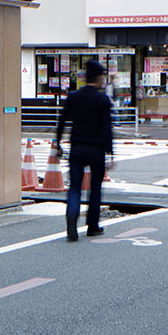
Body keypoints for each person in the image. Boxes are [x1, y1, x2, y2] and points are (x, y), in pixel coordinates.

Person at [53, 59, 114, 242]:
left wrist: (58, 143)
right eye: (102, 76)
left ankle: (72, 224)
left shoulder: (74, 97)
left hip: (77, 148)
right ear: (97, 77)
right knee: (95, 188)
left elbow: (62, 121)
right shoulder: (103, 100)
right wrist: (110, 153)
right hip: (96, 150)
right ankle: (92, 226)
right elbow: (107, 128)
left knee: (75, 187)